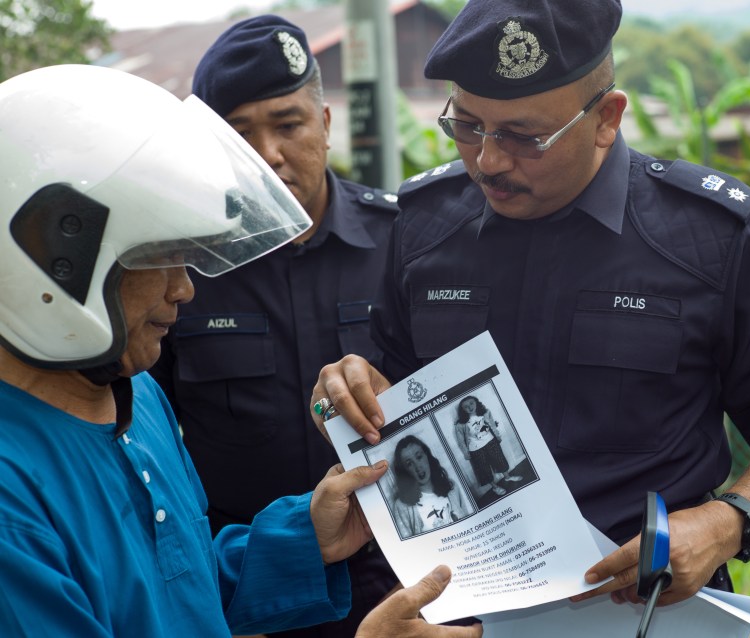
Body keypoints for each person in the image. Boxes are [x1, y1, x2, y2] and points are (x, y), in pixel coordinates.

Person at [312, 0, 750, 612]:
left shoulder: (712, 238)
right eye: (467, 125)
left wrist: (725, 525)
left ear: (606, 118)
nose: (488, 160)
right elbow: (385, 397)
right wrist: (344, 394)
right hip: (467, 613)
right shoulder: (426, 227)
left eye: (524, 136)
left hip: (644, 612)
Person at [0, 64, 480, 638]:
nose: (185, 289)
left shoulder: (135, 394)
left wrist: (304, 539)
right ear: (60, 263)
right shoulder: (11, 497)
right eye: (159, 258)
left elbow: (181, 593)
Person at [147, 16, 400, 638]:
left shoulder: (405, 245)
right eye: (240, 136)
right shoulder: (182, 270)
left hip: (401, 581)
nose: (269, 155)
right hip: (251, 591)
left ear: (325, 124)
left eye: (289, 125)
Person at [392, 435, 471, 539]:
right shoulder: (402, 506)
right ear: (404, 472)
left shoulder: (451, 487)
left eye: (419, 457)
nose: (417, 466)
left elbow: (469, 522)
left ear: (427, 456)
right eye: (409, 464)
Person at [452, 396, 520, 497]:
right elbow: (461, 441)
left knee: (500, 460)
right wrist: (466, 453)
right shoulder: (461, 424)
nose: (470, 407)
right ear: (463, 410)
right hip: (475, 449)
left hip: (491, 442)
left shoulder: (485, 413)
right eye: (466, 407)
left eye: (471, 403)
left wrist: (497, 435)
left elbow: (492, 424)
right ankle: (495, 487)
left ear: (476, 402)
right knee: (483, 470)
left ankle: (507, 477)